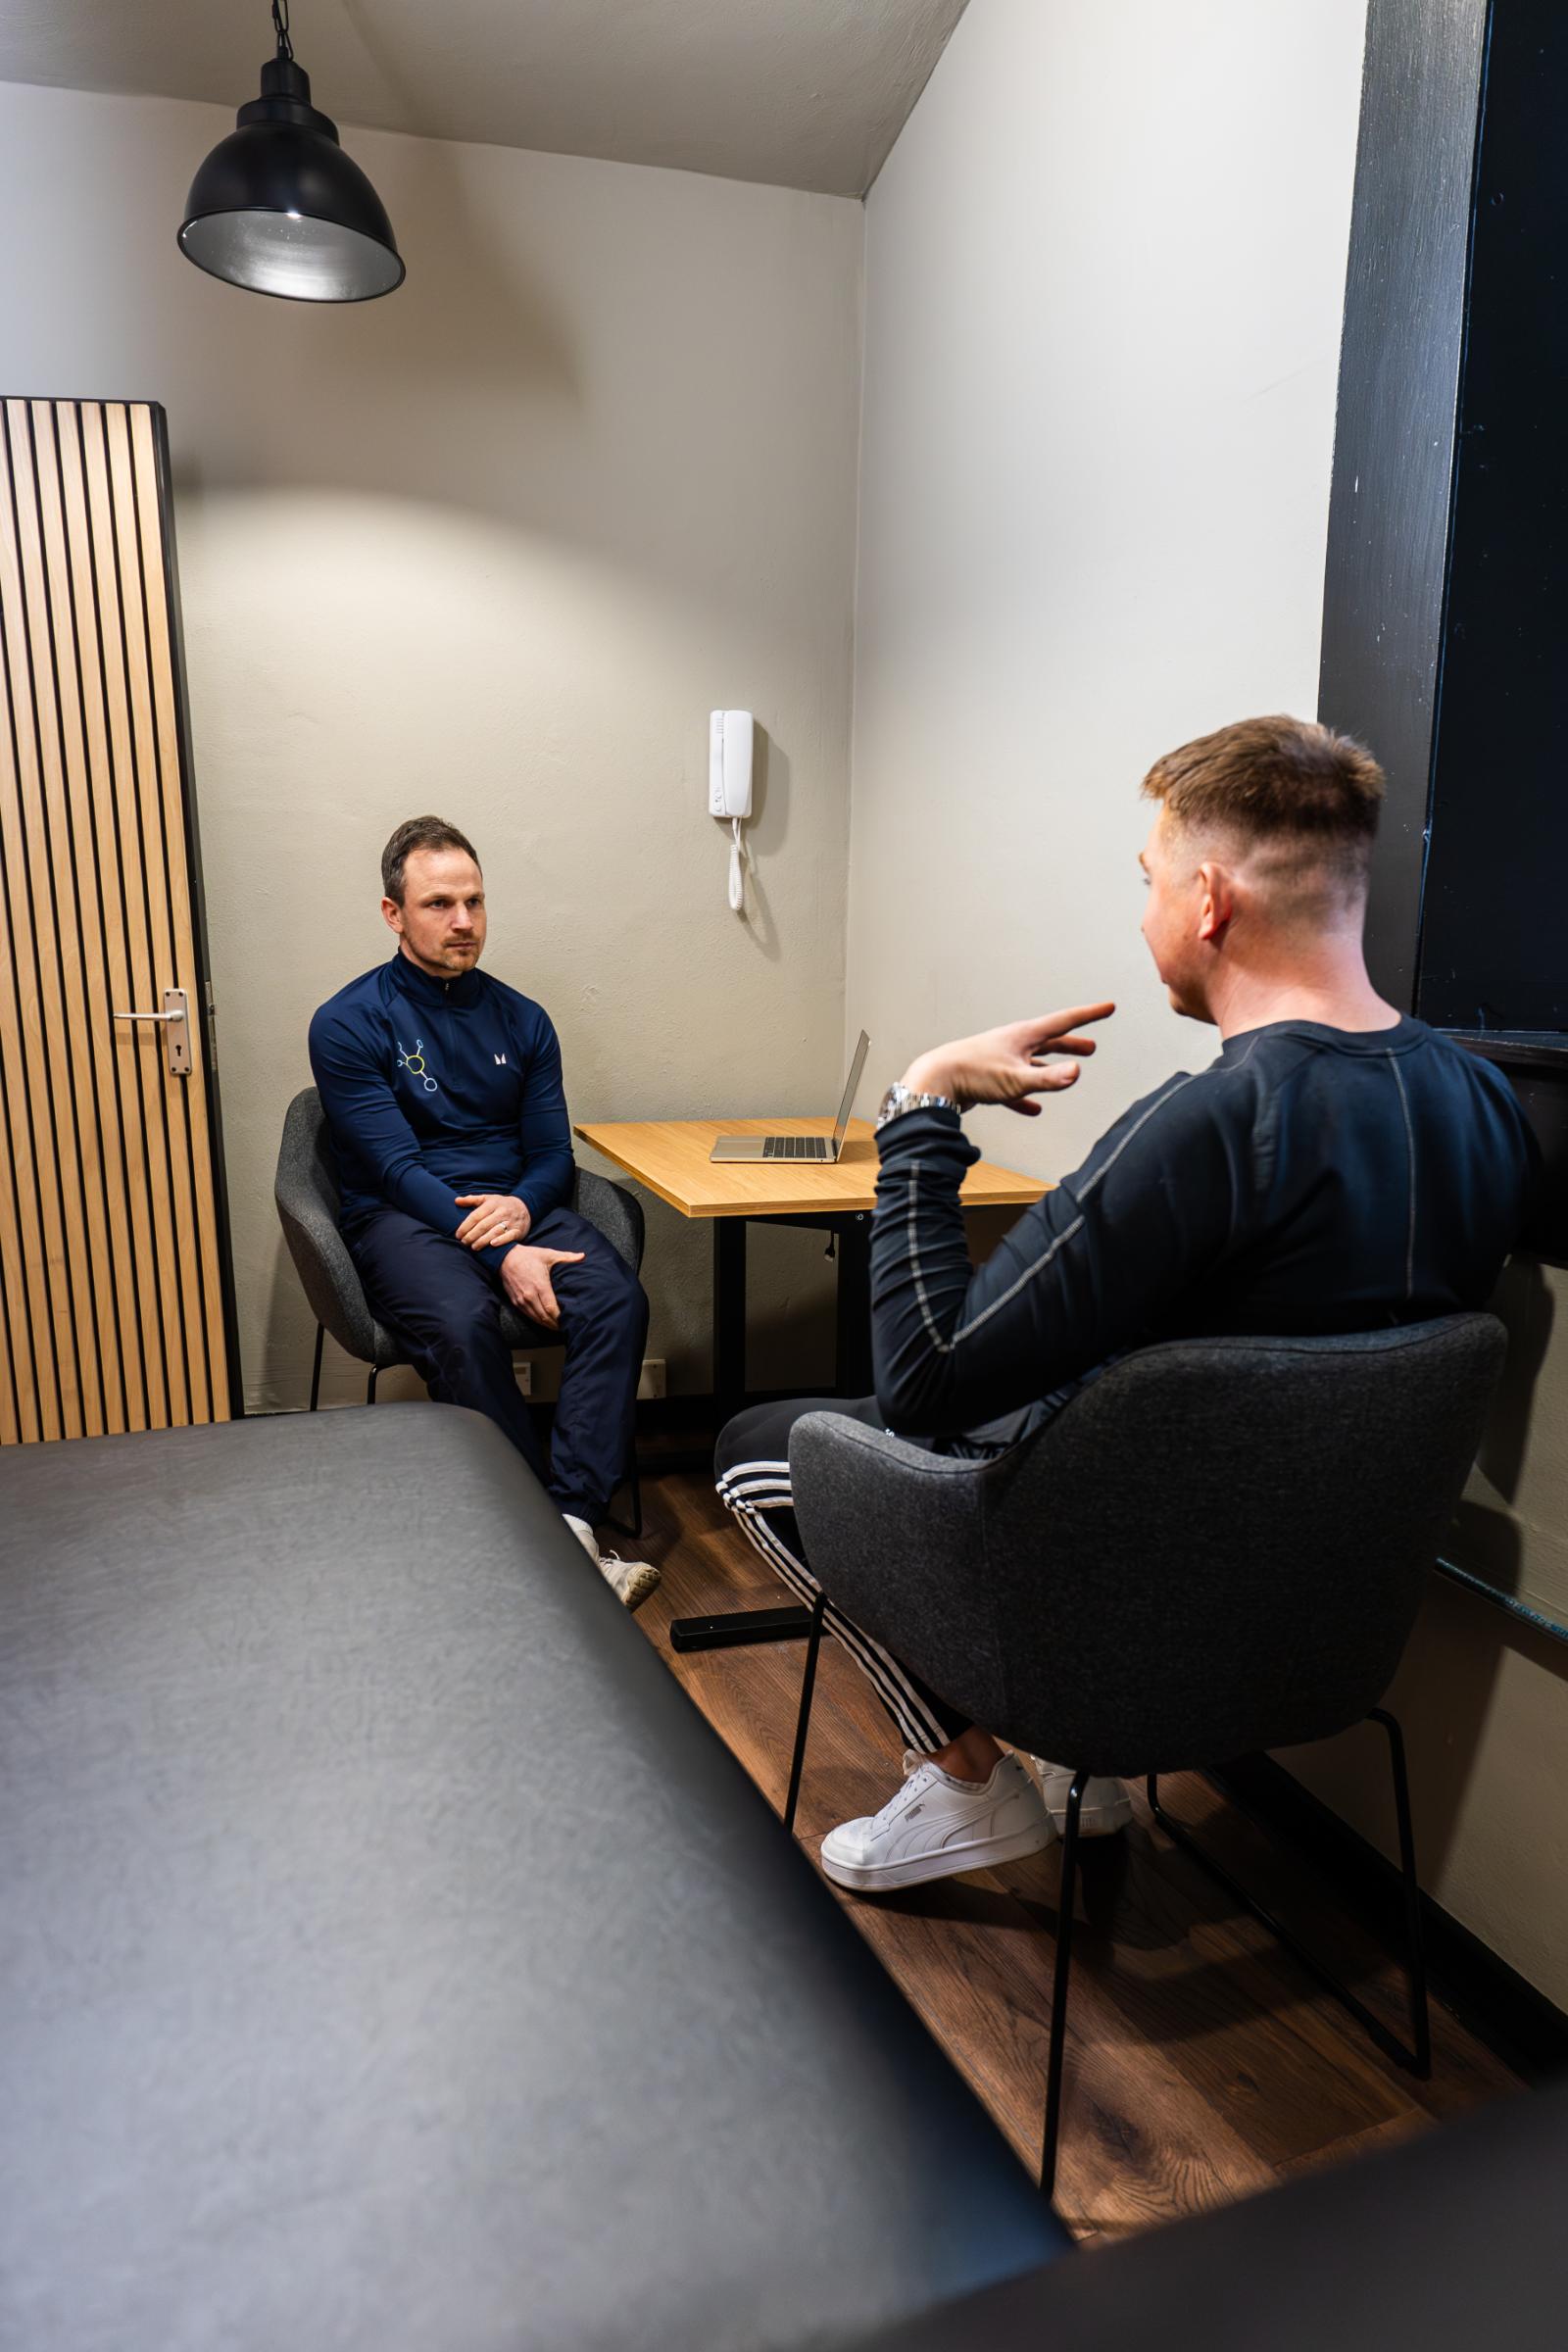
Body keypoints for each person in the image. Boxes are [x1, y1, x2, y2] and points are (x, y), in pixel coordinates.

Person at [717, 715, 1535, 1889]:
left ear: (1208, 900)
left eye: (1148, 881)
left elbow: (927, 1376)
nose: (1143, 912)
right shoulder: (1485, 1105)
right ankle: (1074, 1771)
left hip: (1108, 1603)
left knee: (761, 1446)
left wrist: (923, 1104)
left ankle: (967, 1781)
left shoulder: (1212, 1126)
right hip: (1310, 1622)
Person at [309, 816, 659, 1610]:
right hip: (401, 1216)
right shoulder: (347, 1022)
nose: (463, 920)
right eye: (439, 904)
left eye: (474, 901)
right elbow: (395, 1169)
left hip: (514, 1204)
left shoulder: (524, 1019)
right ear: (394, 914)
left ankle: (570, 1522)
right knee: (463, 1321)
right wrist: (502, 1254)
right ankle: (530, 1533)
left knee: (616, 1298)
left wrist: (522, 1212)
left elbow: (552, 1155)